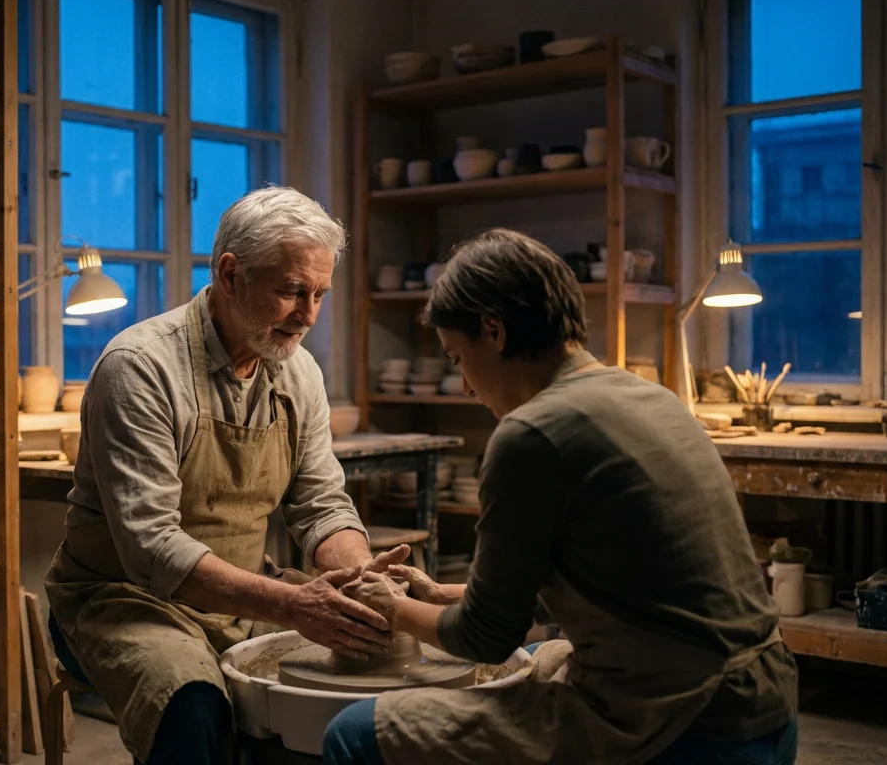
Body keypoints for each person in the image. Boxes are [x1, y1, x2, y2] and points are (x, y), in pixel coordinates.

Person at [323, 228, 800, 765]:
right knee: (538, 657)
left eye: (457, 358)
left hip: (690, 725)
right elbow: (605, 583)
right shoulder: (651, 397)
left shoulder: (532, 433)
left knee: (355, 732)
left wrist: (393, 609)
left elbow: (486, 638)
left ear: (494, 330)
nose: (466, 388)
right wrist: (436, 595)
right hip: (767, 703)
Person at [45, 186, 408, 764]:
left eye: (319, 294)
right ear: (231, 273)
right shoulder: (140, 367)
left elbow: (321, 504)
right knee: (192, 703)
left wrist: (363, 578)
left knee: (344, 678)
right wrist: (291, 606)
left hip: (241, 592)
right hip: (120, 598)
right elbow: (152, 549)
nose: (308, 316)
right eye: (291, 291)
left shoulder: (300, 373)